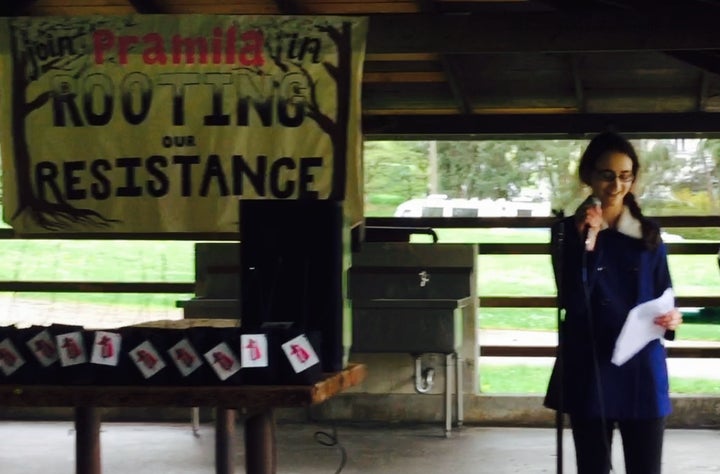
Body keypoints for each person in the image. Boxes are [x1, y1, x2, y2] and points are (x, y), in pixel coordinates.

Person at [544, 131, 683, 474]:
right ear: (588, 176)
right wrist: (589, 241)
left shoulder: (648, 232)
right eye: (607, 175)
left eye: (625, 176)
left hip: (641, 363)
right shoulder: (566, 232)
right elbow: (574, 301)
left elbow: (665, 292)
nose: (616, 185)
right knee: (592, 467)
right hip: (590, 360)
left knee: (646, 467)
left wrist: (672, 318)